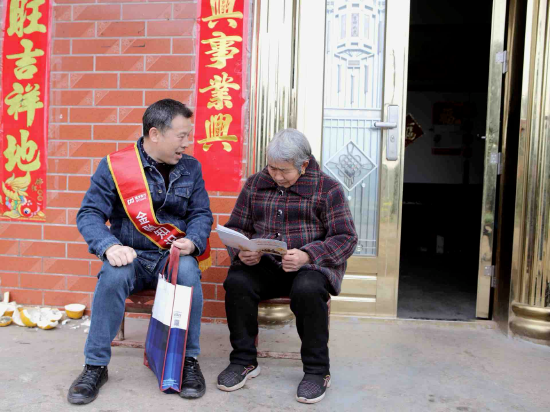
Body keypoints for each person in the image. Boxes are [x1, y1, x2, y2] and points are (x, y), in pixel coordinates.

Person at [69, 99, 213, 404]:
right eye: (182, 135)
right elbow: (89, 213)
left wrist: (193, 241)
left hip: (170, 256)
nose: (188, 143)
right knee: (112, 275)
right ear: (155, 134)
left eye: (188, 135)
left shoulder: (191, 168)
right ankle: (95, 366)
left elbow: (200, 213)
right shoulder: (115, 166)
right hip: (130, 256)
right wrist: (109, 246)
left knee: (188, 270)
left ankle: (188, 361)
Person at [217, 128, 358, 404]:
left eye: (284, 170)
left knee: (308, 290)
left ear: (303, 165)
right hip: (266, 265)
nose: (277, 176)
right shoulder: (255, 184)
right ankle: (244, 361)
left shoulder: (328, 189)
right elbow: (237, 227)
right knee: (237, 281)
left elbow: (346, 238)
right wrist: (242, 251)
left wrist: (308, 255)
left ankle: (317, 371)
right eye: (272, 168)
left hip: (308, 268)